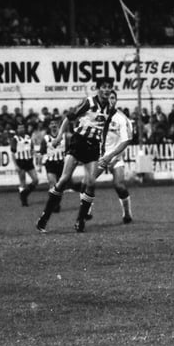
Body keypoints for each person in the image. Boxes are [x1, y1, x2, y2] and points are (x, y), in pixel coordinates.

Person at [37, 77, 115, 233]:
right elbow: (69, 118)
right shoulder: (88, 102)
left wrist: (103, 145)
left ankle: (80, 220)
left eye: (109, 87)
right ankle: (45, 217)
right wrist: (59, 136)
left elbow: (104, 127)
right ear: (98, 88)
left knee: (91, 182)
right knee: (64, 179)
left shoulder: (110, 107)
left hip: (93, 146)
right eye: (104, 87)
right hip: (78, 142)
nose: (107, 90)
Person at [86, 90, 134, 226]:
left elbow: (127, 140)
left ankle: (127, 213)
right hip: (100, 156)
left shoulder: (122, 118)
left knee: (119, 185)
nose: (111, 100)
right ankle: (86, 210)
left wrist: (112, 155)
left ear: (116, 100)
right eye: (108, 98)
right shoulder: (97, 115)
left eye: (113, 98)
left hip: (115, 157)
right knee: (88, 181)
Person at [10, 123, 40, 207]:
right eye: (19, 128)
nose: (21, 129)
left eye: (22, 127)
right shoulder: (15, 139)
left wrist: (36, 155)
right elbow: (12, 153)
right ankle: (24, 200)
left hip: (29, 161)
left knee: (36, 180)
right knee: (22, 181)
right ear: (17, 129)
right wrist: (16, 165)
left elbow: (32, 149)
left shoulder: (28, 137)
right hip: (20, 162)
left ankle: (25, 193)